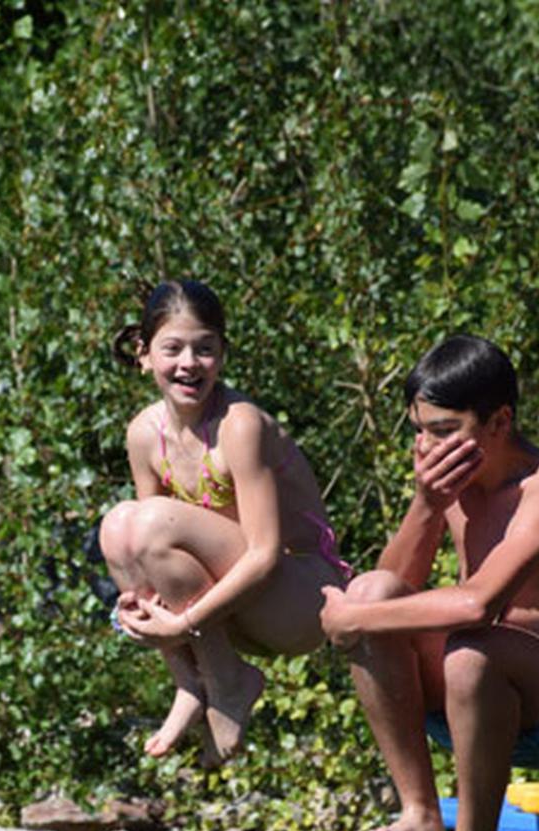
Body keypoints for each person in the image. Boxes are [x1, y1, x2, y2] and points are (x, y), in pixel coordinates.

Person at [319, 335, 539, 831]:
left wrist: (352, 621)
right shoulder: (448, 485)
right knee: (375, 593)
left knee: (467, 647)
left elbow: (482, 602)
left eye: (443, 430)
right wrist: (428, 505)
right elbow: (393, 585)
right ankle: (421, 812)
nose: (427, 447)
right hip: (465, 695)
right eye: (419, 431)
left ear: (499, 421)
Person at [98, 280, 352, 765]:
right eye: (172, 349)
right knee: (118, 528)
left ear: (223, 355)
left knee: (148, 522)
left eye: (205, 349)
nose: (189, 363)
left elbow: (264, 552)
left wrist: (183, 624)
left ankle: (227, 682)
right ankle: (190, 682)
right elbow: (146, 560)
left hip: (301, 595)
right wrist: (134, 613)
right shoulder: (143, 435)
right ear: (144, 354)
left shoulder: (240, 425)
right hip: (228, 607)